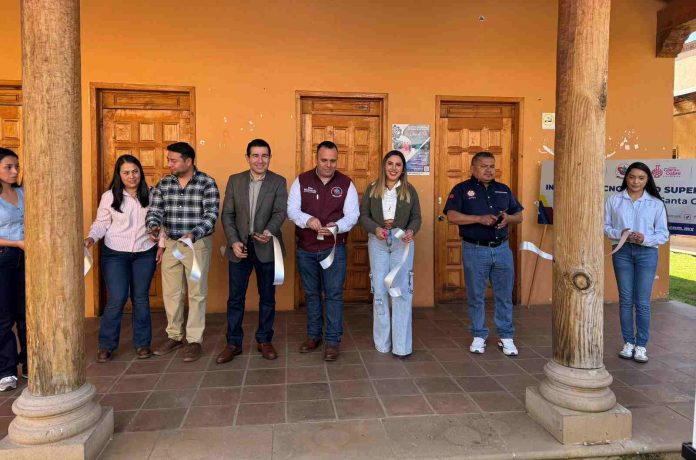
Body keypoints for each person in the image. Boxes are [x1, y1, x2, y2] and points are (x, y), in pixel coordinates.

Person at [444, 151, 523, 356]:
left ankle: (506, 336)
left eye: (492, 166)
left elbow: (519, 215)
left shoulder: (504, 190)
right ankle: (479, 335)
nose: (489, 170)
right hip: (475, 249)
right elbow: (451, 216)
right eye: (484, 166)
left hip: (502, 249)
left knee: (504, 295)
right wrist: (478, 219)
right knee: (476, 295)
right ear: (473, 168)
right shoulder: (462, 189)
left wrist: (508, 219)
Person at [146, 142, 220, 362]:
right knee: (172, 293)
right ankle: (174, 336)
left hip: (196, 246)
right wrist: (153, 226)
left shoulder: (207, 183)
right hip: (171, 246)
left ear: (188, 161)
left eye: (173, 160)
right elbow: (155, 210)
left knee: (197, 293)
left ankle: (194, 340)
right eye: (169, 160)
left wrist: (193, 234)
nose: (169, 164)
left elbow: (211, 215)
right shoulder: (164, 183)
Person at [216, 139, 287, 364]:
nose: (260, 160)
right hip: (240, 248)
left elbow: (280, 212)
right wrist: (233, 241)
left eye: (264, 155)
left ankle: (264, 340)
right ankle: (233, 343)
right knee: (235, 298)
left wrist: (269, 231)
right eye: (255, 155)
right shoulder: (235, 180)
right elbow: (227, 214)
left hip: (266, 246)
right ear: (247, 158)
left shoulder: (278, 181)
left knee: (267, 297)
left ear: (270, 158)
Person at [287, 140, 359, 361]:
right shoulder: (302, 181)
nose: (328, 165)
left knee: (334, 295)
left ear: (337, 160)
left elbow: (353, 215)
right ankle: (313, 336)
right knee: (311, 294)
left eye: (333, 161)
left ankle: (333, 341)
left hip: (334, 249)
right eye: (324, 160)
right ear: (316, 159)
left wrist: (337, 227)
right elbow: (292, 210)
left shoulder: (346, 184)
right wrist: (307, 220)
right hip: (306, 249)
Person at [85, 154, 160, 363]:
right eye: (126, 172)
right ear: (119, 175)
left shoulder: (152, 194)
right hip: (115, 254)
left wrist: (158, 237)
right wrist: (91, 238)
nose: (131, 176)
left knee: (140, 297)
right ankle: (106, 345)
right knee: (117, 298)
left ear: (140, 172)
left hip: (144, 252)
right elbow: (101, 223)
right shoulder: (109, 196)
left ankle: (143, 344)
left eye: (135, 171)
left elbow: (161, 221)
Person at [605, 162, 668, 364]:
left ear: (648, 180)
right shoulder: (614, 200)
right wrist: (620, 233)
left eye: (641, 178)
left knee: (642, 301)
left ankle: (641, 345)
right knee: (625, 299)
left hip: (647, 253)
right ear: (626, 178)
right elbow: (605, 226)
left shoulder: (656, 204)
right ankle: (628, 343)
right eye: (632, 177)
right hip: (622, 251)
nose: (635, 182)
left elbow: (663, 234)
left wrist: (645, 238)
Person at [359, 150, 421, 358]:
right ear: (384, 166)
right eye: (390, 164)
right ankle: (382, 343)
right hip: (377, 241)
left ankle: (401, 346)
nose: (394, 168)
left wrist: (411, 230)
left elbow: (416, 217)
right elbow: (363, 216)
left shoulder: (410, 190)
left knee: (401, 292)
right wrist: (375, 228)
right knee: (380, 291)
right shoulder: (372, 188)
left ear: (403, 169)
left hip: (401, 242)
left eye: (398, 165)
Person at [0, 148, 25, 391]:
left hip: (26, 257)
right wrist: (16, 243)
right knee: (4, 317)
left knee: (26, 314)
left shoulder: (22, 192)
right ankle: (6, 371)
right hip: (4, 257)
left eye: (16, 166)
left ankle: (29, 363)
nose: (15, 171)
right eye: (8, 167)